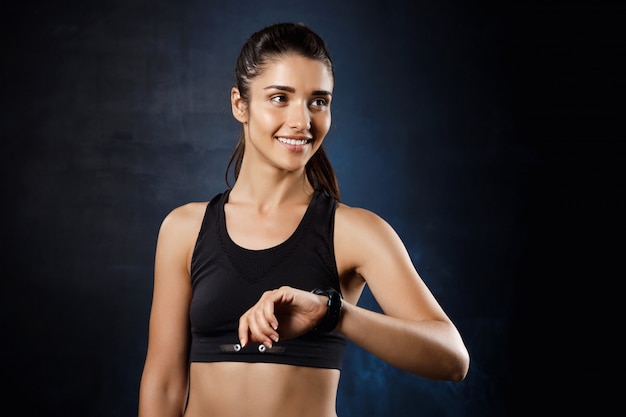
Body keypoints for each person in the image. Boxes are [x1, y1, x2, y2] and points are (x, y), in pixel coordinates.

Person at [137, 22, 470, 417]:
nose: (302, 121)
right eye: (280, 98)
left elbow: (452, 358)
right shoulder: (184, 229)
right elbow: (163, 386)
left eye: (318, 101)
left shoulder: (353, 232)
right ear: (239, 104)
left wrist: (334, 313)